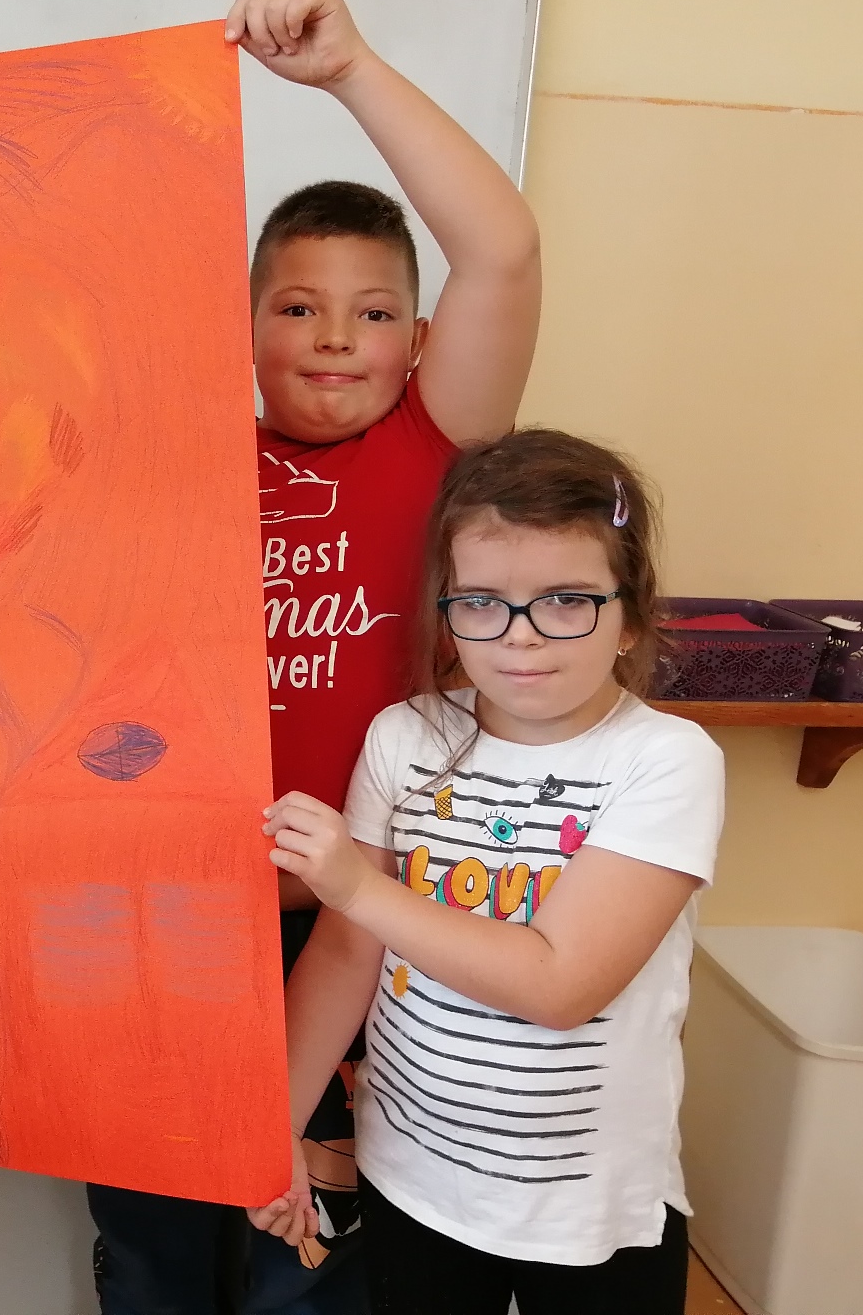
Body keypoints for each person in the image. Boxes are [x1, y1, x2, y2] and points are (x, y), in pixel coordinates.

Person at [87, 0, 542, 1313]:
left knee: (316, 1245)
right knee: (156, 1226)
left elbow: (503, 251)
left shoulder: (433, 448)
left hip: (353, 925)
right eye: (295, 308)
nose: (336, 337)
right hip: (169, 921)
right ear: (241, 331)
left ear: (419, 343)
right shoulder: (178, 457)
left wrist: (349, 70)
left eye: (374, 313)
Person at [254, 430, 723, 1314]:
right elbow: (346, 955)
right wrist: (269, 1128)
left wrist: (358, 886)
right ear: (448, 610)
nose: (521, 636)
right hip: (410, 1180)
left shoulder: (666, 760)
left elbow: (560, 986)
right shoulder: (404, 737)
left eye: (566, 600)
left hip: (588, 1209)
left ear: (629, 616)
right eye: (482, 602)